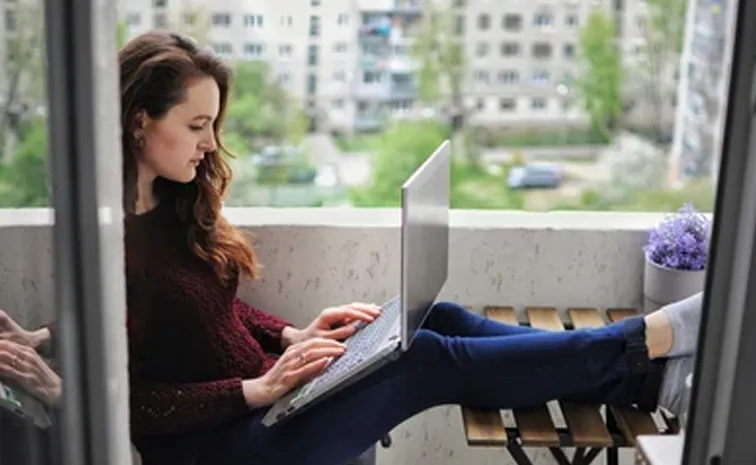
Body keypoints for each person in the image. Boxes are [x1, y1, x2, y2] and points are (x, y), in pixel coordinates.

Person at [2, 29, 704, 465]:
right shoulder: (109, 244)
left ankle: (641, 374)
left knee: (433, 319)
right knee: (422, 358)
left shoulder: (163, 208)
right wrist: (256, 386)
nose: (211, 142)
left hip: (270, 405)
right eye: (196, 125)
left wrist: (291, 333)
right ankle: (647, 341)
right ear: (137, 123)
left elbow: (210, 313)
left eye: (213, 123)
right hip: (234, 447)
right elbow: (131, 399)